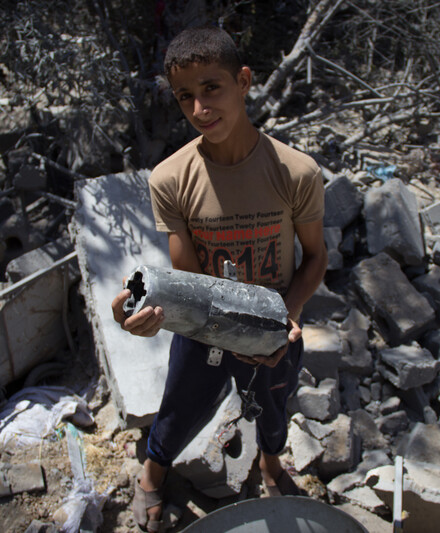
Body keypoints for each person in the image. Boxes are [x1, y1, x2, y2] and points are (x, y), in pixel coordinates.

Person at [110, 26, 327, 533]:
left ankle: (271, 466)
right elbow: (188, 282)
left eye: (213, 88)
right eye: (186, 96)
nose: (200, 108)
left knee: (275, 406)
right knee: (180, 406)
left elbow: (315, 257)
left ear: (244, 81)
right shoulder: (171, 179)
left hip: (277, 328)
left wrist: (288, 318)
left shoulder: (295, 172)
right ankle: (152, 475)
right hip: (207, 330)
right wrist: (139, 314)